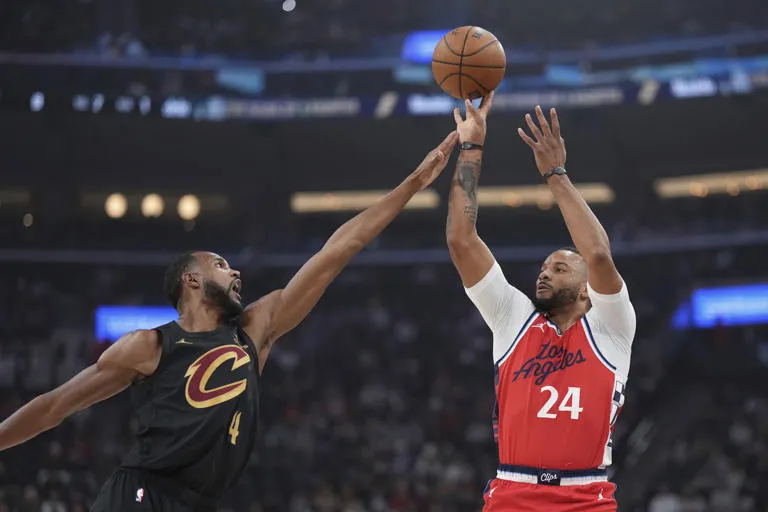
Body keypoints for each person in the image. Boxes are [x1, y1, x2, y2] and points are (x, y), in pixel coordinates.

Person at [0, 131, 459, 512]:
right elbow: (54, 406)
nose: (235, 271)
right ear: (191, 279)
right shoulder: (150, 346)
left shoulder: (256, 329)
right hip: (140, 496)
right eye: (221, 264)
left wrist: (414, 183)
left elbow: (339, 249)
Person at [447, 94, 635, 511]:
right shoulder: (513, 317)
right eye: (544, 268)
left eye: (561, 269)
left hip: (586, 496)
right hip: (513, 492)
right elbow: (461, 242)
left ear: (587, 290)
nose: (545, 273)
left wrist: (555, 174)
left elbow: (599, 255)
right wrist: (471, 149)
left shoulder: (612, 328)